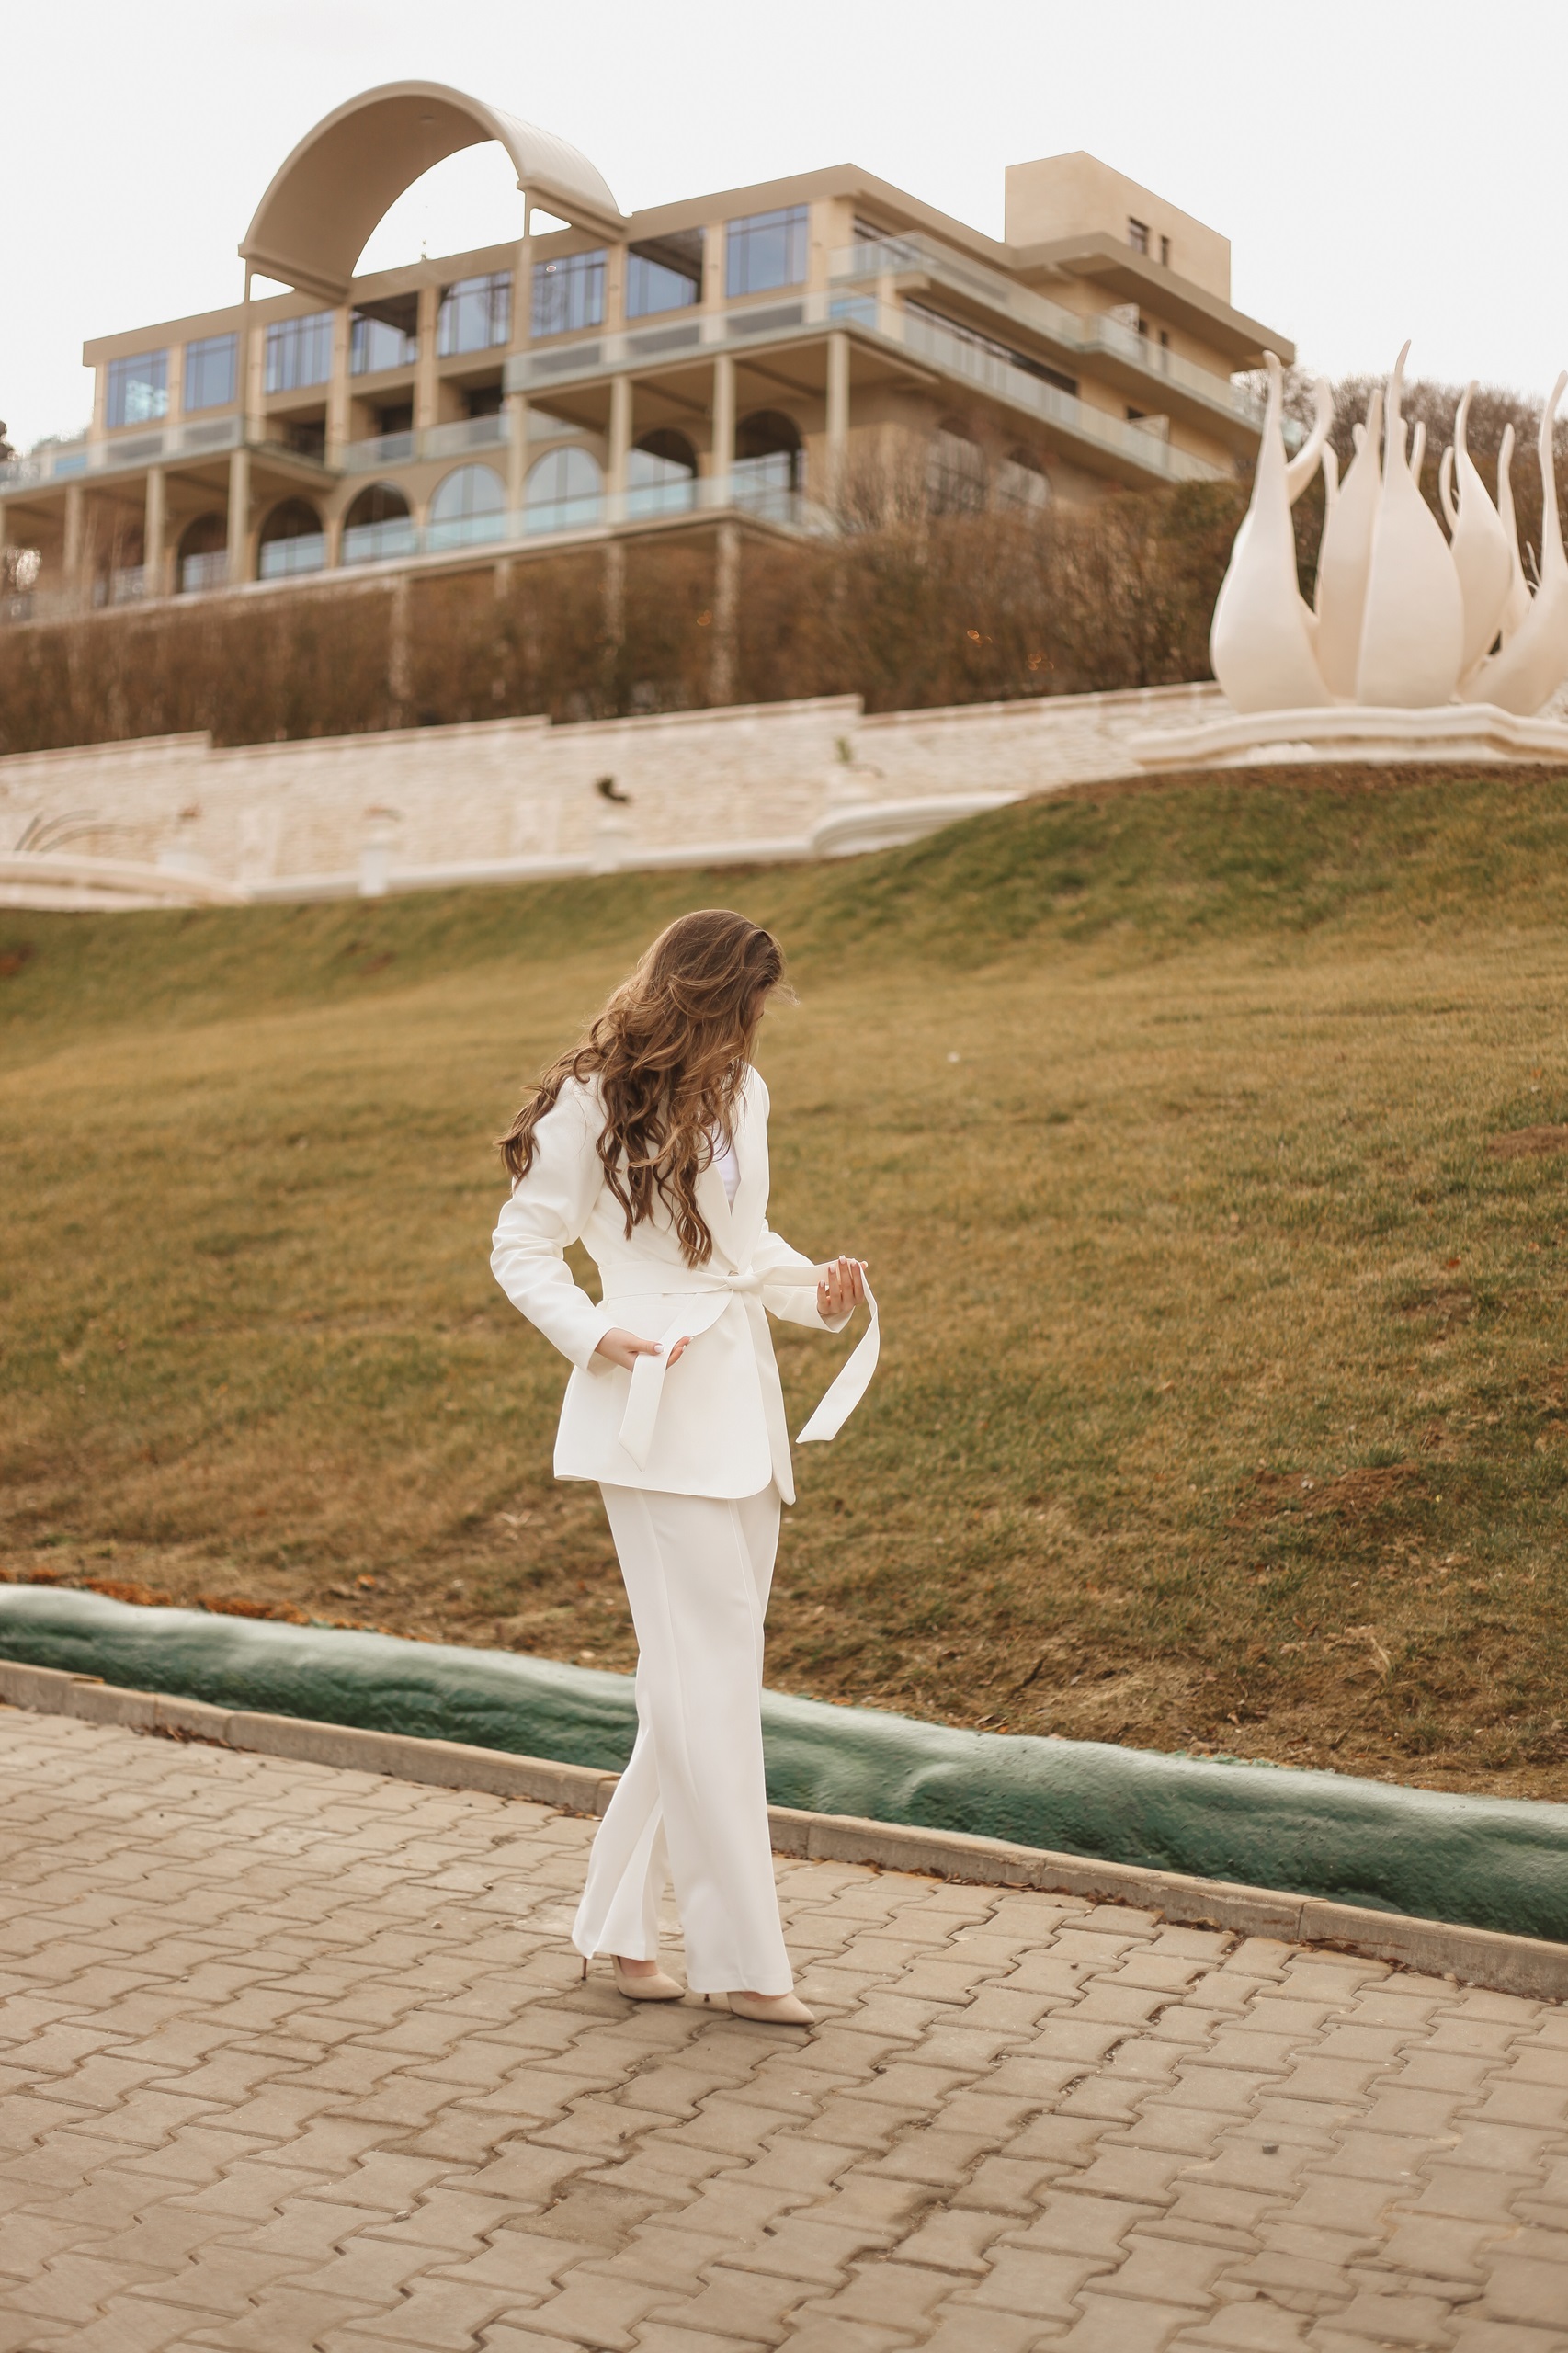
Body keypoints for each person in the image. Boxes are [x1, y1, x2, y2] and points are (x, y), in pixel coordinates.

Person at [491, 910, 877, 2026]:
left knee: (694, 1687)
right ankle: (743, 1962)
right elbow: (521, 1244)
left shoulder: (745, 1093)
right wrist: (592, 1332)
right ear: (702, 997)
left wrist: (817, 1292)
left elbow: (742, 1248)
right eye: (745, 1006)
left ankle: (618, 1929)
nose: (755, 1027)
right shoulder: (590, 1098)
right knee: (704, 1687)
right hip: (650, 1413)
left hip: (741, 1414)